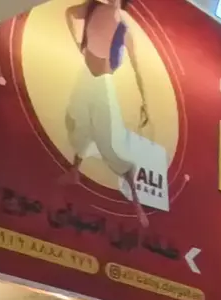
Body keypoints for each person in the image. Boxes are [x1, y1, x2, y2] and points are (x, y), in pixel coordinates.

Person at [62, 0, 149, 228]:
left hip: (103, 82)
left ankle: (137, 204)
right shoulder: (93, 8)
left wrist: (145, 102)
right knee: (78, 121)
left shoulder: (124, 26)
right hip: (86, 76)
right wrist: (77, 44)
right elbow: (69, 13)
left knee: (109, 143)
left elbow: (137, 66)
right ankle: (74, 172)